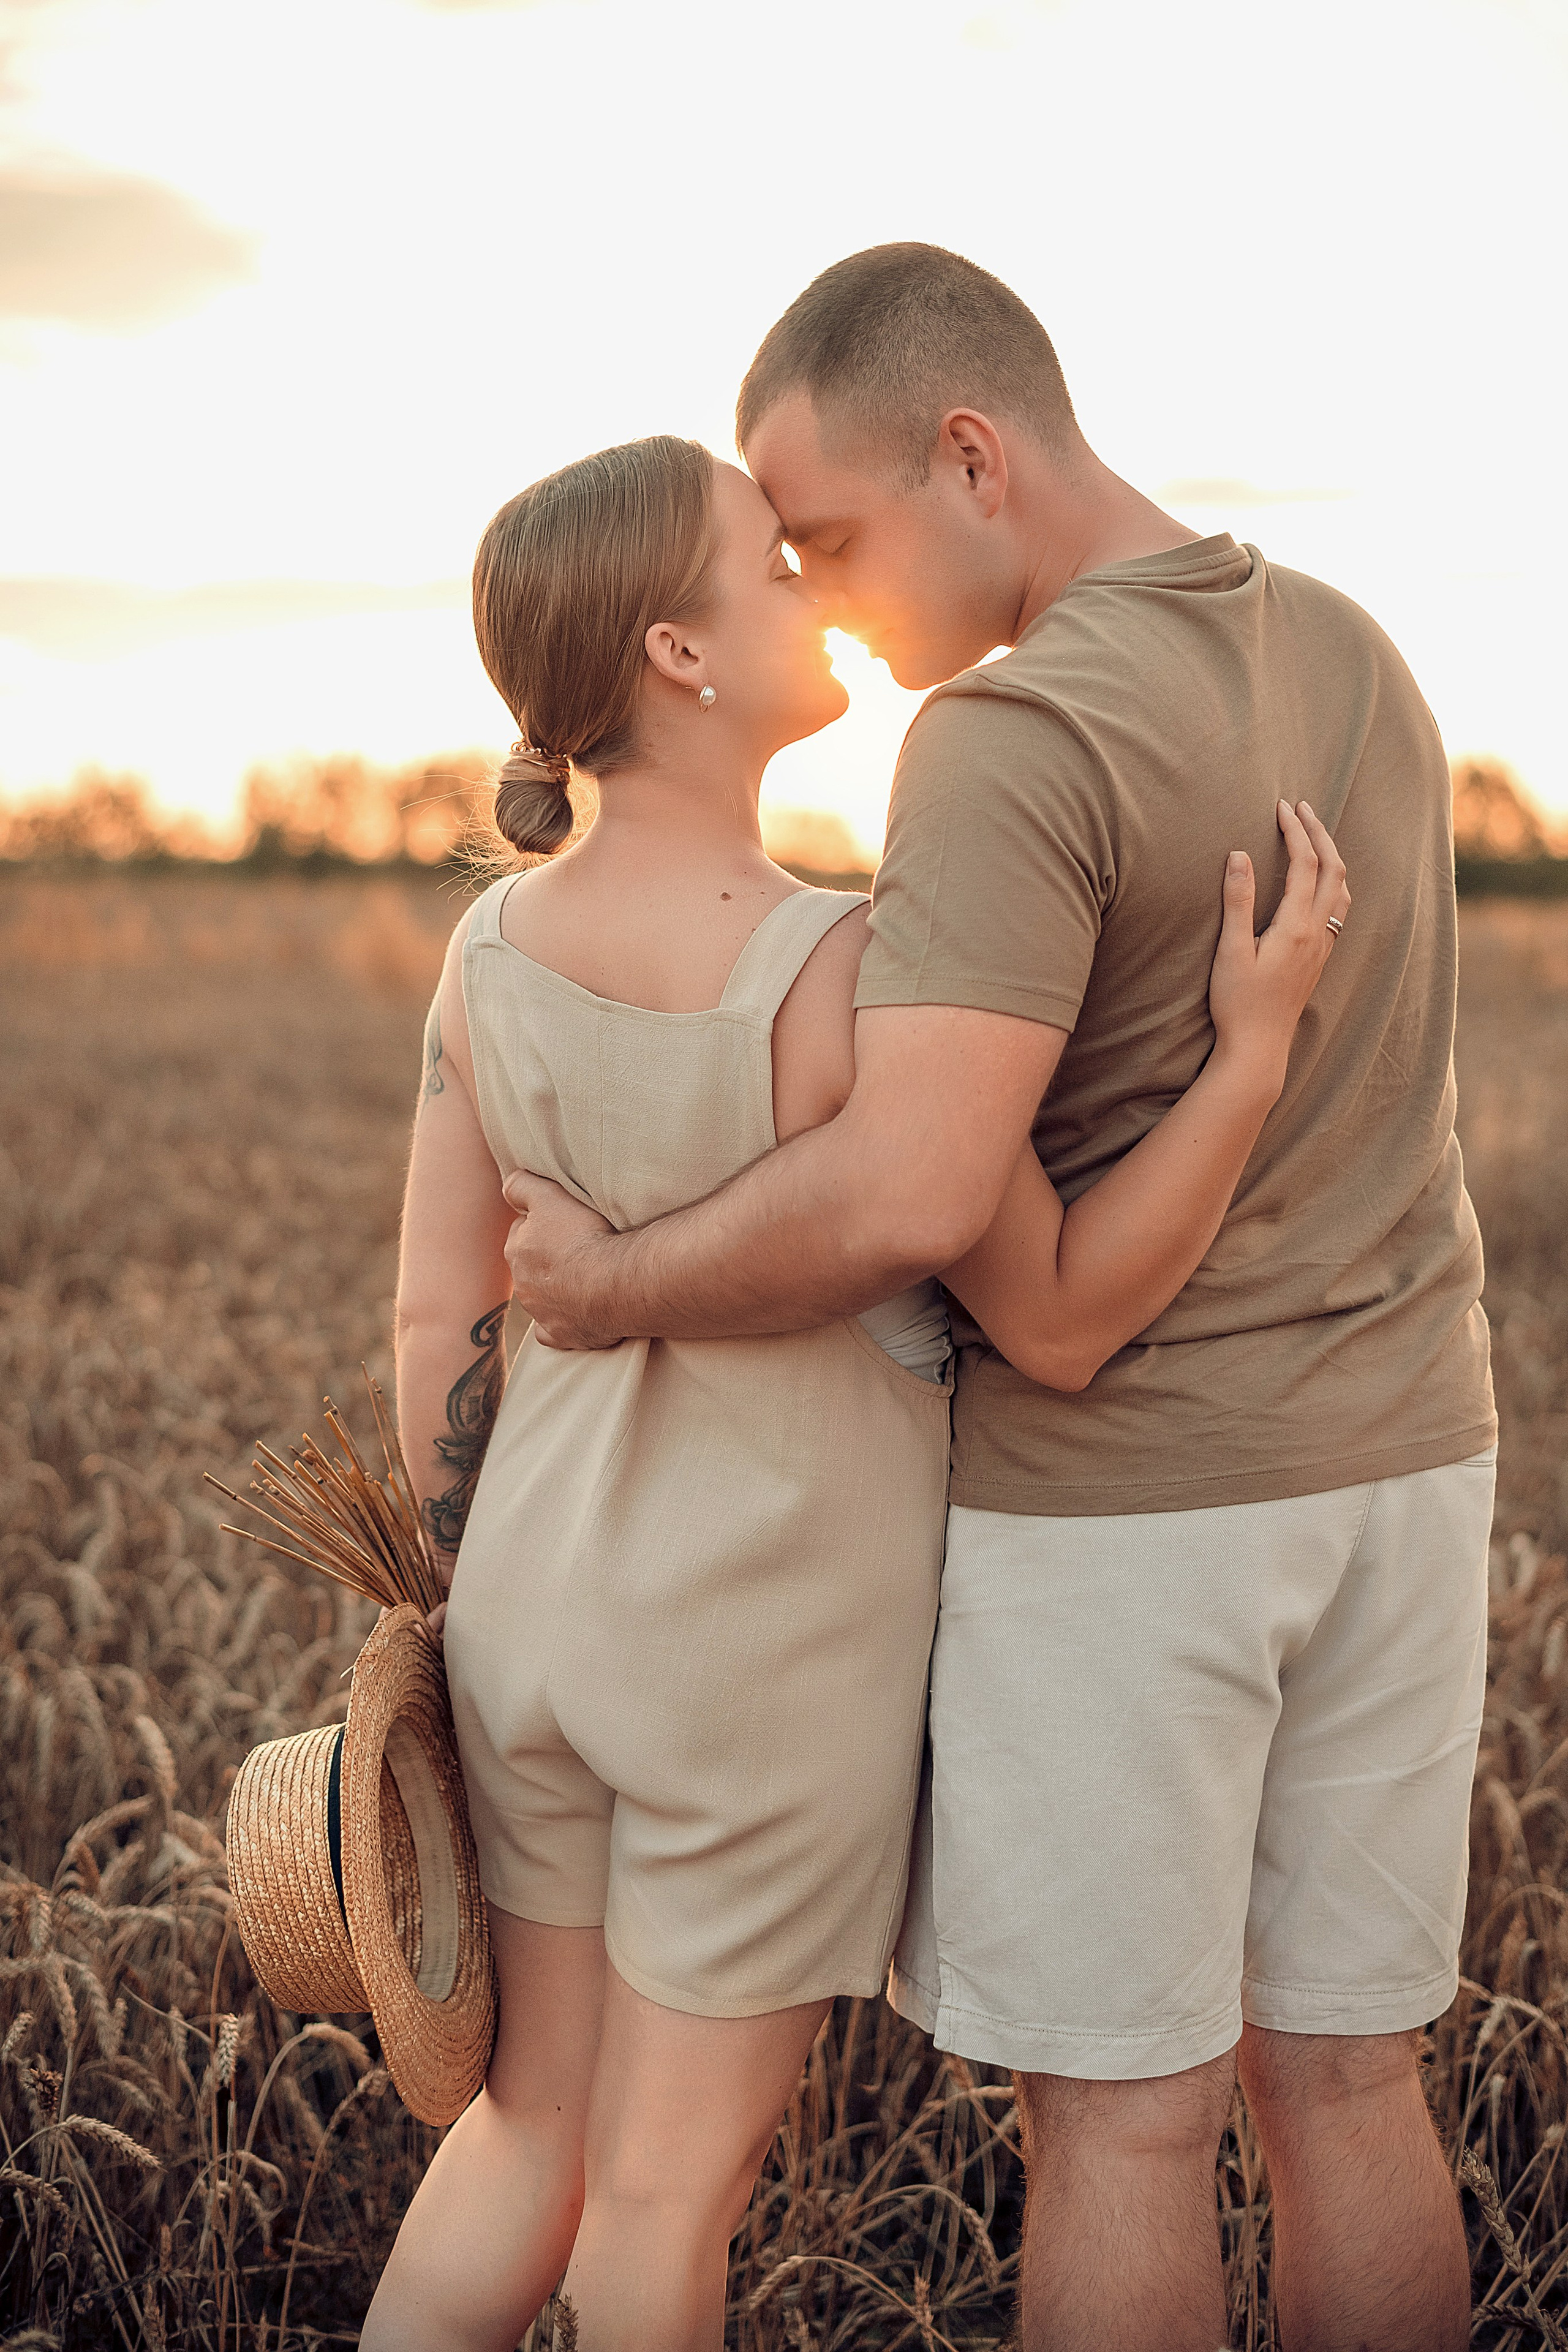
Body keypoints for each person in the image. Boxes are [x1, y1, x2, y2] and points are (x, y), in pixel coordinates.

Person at [500, 247, 1497, 2352]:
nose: (823, 594)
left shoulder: (1009, 734)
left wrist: (605, 1285)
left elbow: (915, 1192)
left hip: (1137, 1512)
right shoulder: (1357, 652)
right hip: (1411, 1467)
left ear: (973, 456)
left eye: (833, 537)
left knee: (1124, 2128)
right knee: (1353, 2087)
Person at [360, 431, 1345, 2352]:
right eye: (770, 565)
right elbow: (1053, 1299)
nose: (815, 588)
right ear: (679, 654)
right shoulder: (844, 970)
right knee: (663, 2197)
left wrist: (471, 1574)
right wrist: (1246, 1059)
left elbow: (432, 1317)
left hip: (525, 1622)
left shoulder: (486, 954)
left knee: (526, 2134)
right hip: (759, 1656)